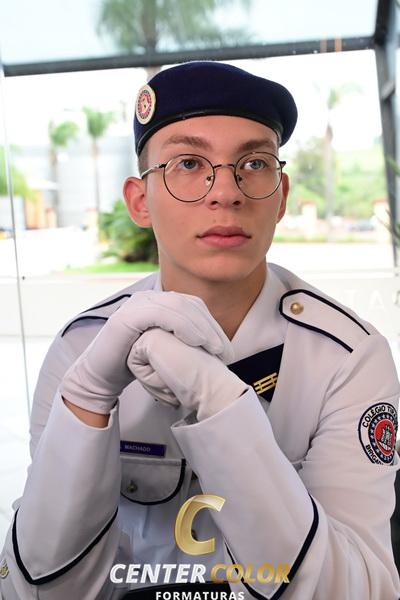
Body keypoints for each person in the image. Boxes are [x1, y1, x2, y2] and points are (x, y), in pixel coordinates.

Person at [0, 61, 399, 600]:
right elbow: (37, 588)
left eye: (254, 163)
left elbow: (360, 591)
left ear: (280, 196)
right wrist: (88, 398)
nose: (226, 192)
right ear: (140, 201)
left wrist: (223, 409)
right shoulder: (82, 348)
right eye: (188, 163)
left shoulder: (347, 358)